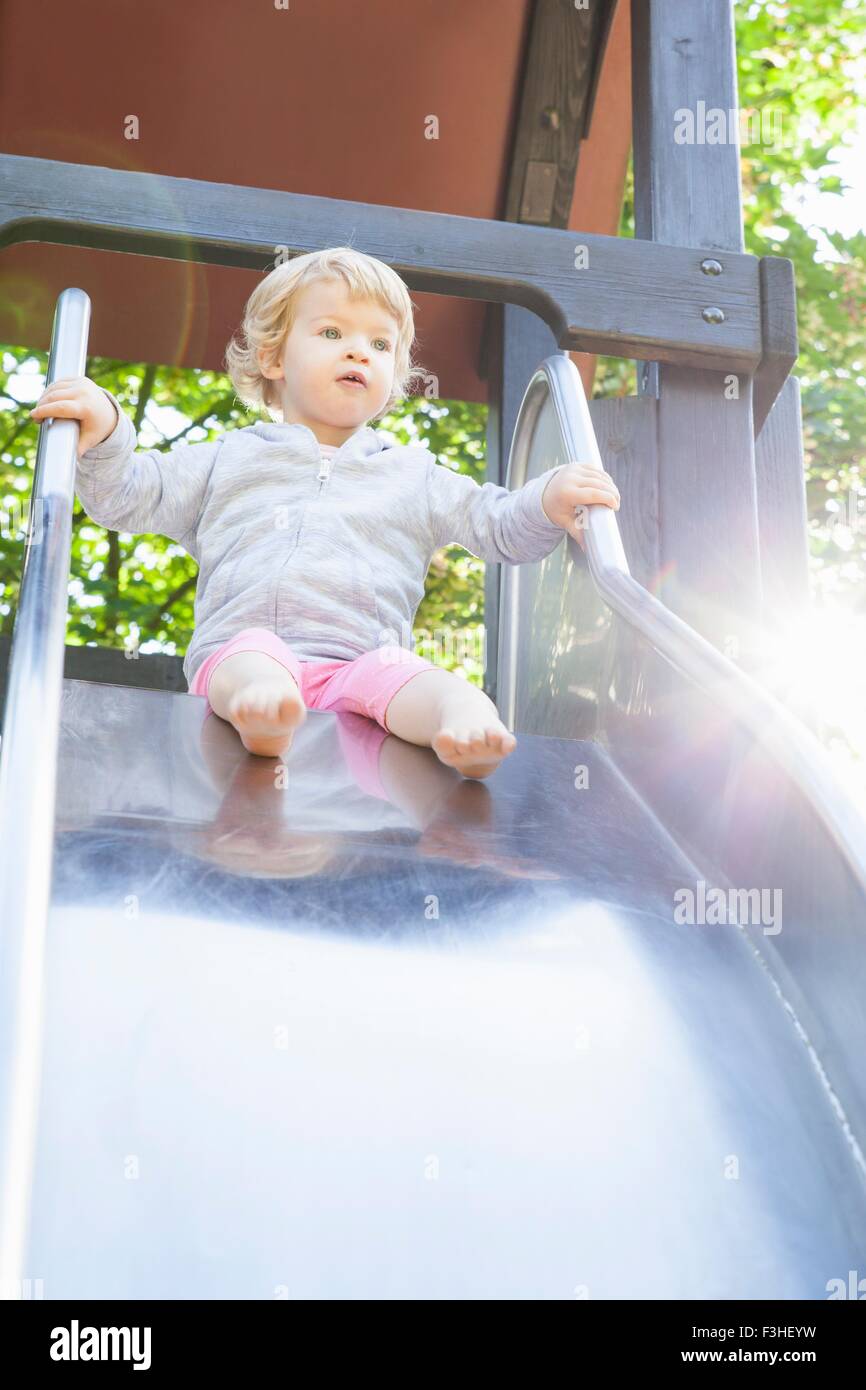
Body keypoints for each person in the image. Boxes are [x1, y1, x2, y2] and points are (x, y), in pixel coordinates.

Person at [32, 247, 620, 779]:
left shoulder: (412, 474)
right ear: (273, 359)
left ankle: (464, 721)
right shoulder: (228, 458)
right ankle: (264, 709)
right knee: (251, 653)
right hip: (245, 653)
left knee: (416, 675)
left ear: (392, 380)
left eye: (380, 344)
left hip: (360, 669)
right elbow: (129, 494)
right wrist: (107, 428)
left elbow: (495, 523)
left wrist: (546, 499)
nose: (358, 350)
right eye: (333, 330)